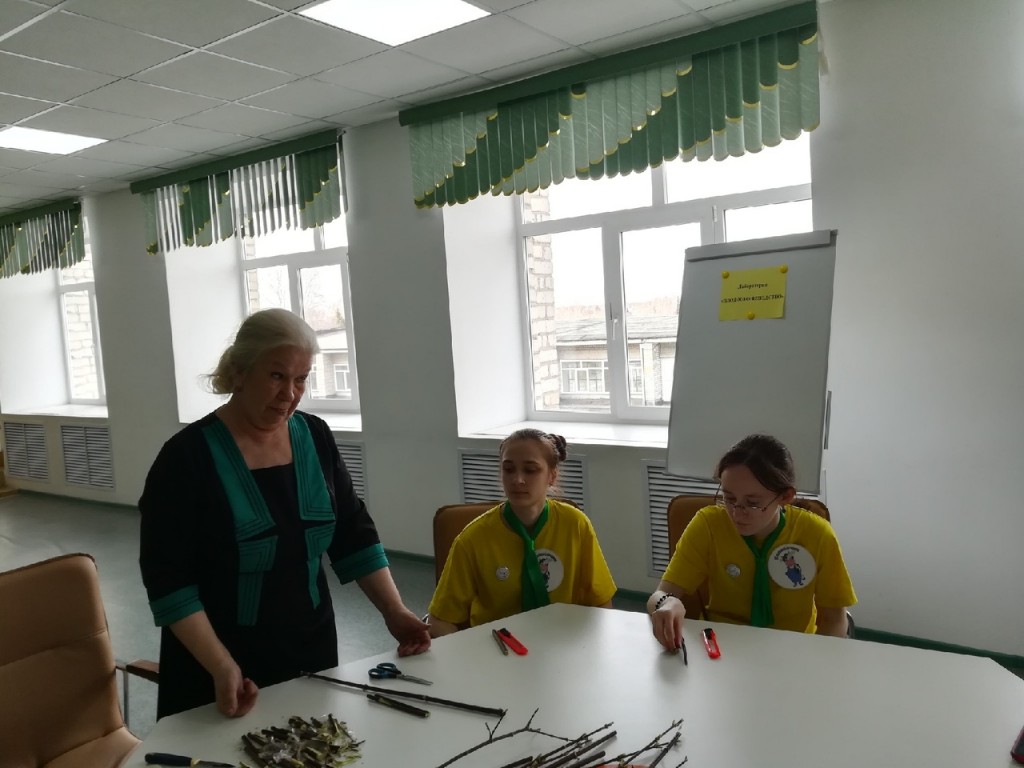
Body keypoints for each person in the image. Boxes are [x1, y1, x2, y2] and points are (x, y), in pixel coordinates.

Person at [139, 309, 430, 719]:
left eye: (301, 379)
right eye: (277, 376)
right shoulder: (185, 458)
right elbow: (168, 581)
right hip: (218, 666)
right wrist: (221, 665)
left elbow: (353, 531)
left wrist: (394, 611)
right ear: (239, 372)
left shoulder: (315, 435)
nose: (289, 394)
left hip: (311, 649)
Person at [648, 434, 856, 650]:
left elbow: (835, 619)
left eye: (753, 503)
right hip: (723, 644)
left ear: (785, 497)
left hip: (793, 647)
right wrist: (666, 602)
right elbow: (660, 594)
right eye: (729, 498)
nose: (737, 513)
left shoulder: (816, 534)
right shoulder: (708, 525)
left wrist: (815, 660)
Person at [427, 429, 617, 636]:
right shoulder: (473, 539)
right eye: (508, 469)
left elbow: (600, 602)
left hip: (563, 641)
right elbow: (440, 620)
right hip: (499, 647)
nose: (517, 480)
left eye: (530, 470)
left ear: (552, 476)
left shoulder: (575, 525)